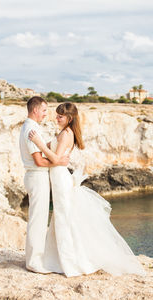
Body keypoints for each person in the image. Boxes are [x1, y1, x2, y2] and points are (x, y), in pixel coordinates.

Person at [28, 102, 146, 277]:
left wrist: (39, 142)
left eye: (60, 115)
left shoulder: (67, 134)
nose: (57, 117)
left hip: (61, 179)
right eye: (57, 114)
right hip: (58, 177)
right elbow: (54, 155)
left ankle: (72, 260)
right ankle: (59, 257)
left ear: (69, 118)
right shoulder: (63, 132)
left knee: (64, 217)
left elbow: (55, 158)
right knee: (62, 216)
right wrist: (38, 146)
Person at [19, 96, 69, 274]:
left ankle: (34, 258)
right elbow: (39, 162)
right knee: (37, 220)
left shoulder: (31, 127)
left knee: (38, 219)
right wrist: (58, 163)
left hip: (36, 176)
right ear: (35, 110)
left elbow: (41, 152)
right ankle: (33, 262)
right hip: (37, 175)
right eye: (44, 110)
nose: (46, 114)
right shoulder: (31, 129)